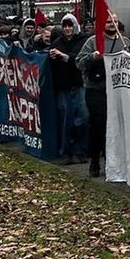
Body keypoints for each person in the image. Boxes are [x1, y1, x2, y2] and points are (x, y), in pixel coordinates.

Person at [78, 13, 125, 178]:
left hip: (118, 91)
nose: (112, 24)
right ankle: (95, 161)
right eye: (108, 21)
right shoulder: (92, 42)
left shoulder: (125, 43)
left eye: (115, 20)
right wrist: (93, 56)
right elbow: (79, 62)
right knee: (98, 126)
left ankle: (114, 162)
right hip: (97, 91)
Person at [49, 14, 89, 163]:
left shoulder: (83, 41)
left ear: (75, 26)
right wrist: (51, 57)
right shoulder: (57, 42)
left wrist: (64, 56)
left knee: (83, 117)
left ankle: (80, 150)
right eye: (65, 26)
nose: (67, 29)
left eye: (70, 26)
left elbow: (80, 58)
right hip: (63, 86)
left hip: (79, 84)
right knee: (66, 119)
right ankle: (65, 152)